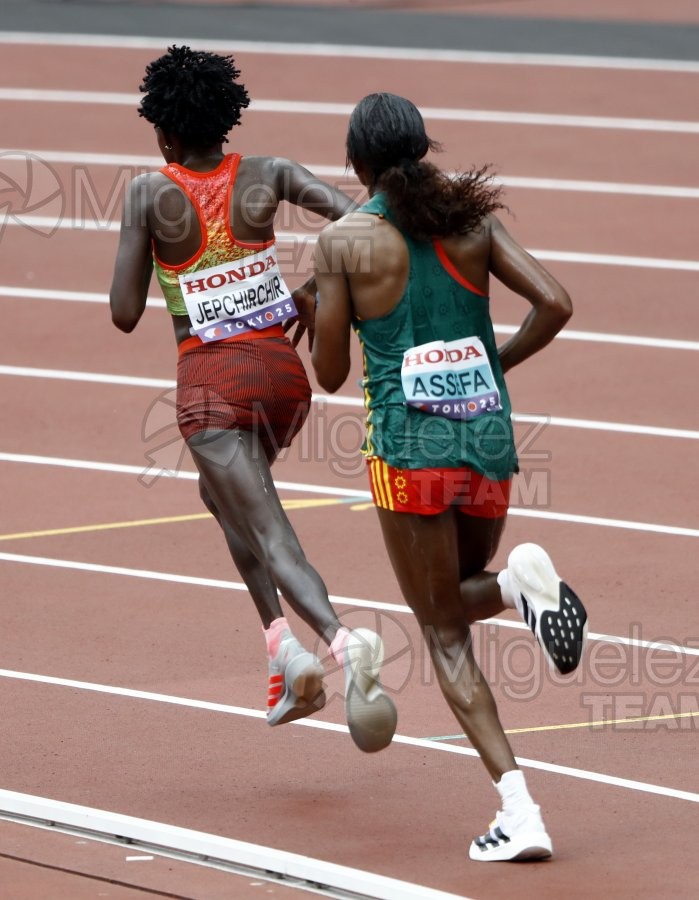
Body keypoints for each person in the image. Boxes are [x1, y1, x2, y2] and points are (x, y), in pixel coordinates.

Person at [311, 92, 589, 861]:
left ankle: (520, 812)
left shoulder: (343, 242)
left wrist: (328, 319)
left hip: (410, 452)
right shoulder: (472, 222)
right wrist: (489, 365)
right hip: (489, 441)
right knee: (456, 602)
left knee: (440, 634)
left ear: (355, 164)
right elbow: (555, 303)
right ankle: (513, 589)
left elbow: (330, 373)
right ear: (423, 148)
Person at [109, 47, 397, 753]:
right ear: (224, 120)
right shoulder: (265, 174)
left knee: (267, 527)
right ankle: (281, 651)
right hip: (280, 376)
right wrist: (311, 290)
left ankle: (339, 641)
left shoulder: (149, 192)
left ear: (165, 133)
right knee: (227, 499)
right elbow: (363, 218)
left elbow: (121, 311)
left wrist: (159, 255)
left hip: (210, 384)